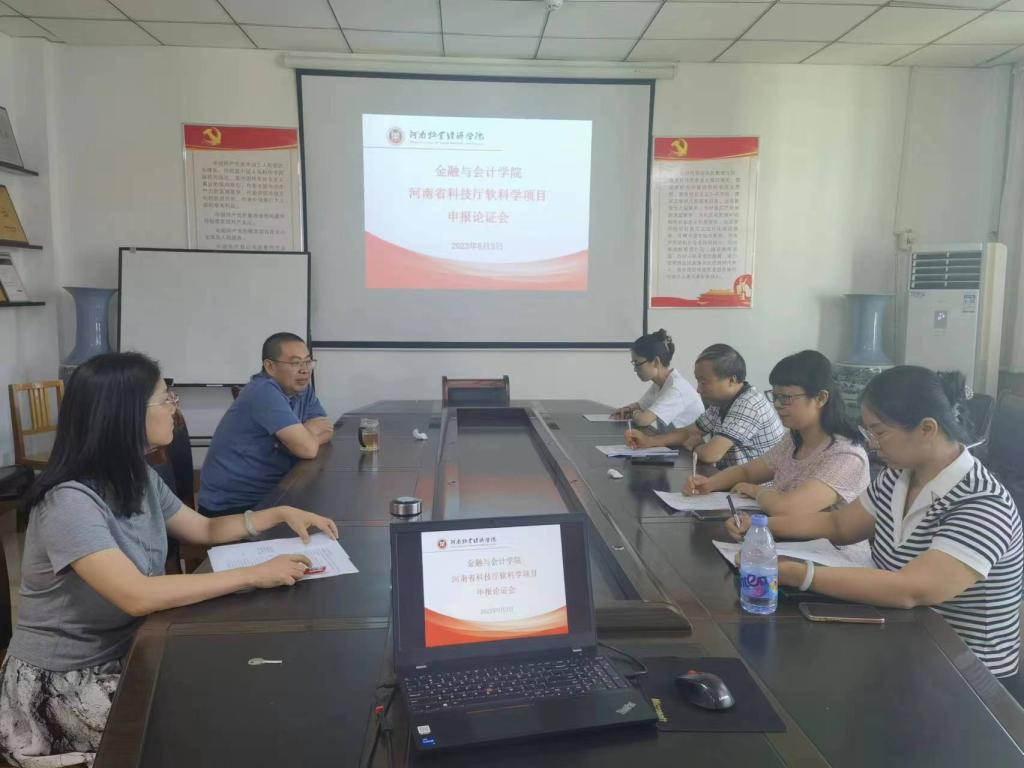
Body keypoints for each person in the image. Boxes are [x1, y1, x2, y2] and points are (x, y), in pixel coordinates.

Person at [0, 352, 338, 767]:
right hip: (62, 686)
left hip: (129, 651)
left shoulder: (136, 475)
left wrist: (277, 514)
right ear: (124, 414)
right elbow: (137, 595)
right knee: (215, 722)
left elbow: (204, 530)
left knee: (246, 685)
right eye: (165, 399)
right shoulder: (69, 502)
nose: (174, 409)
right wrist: (254, 574)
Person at [726, 366, 1022, 680]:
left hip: (967, 675)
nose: (872, 445)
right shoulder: (898, 477)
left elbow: (910, 589)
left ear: (927, 429)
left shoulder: (982, 503)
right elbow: (840, 525)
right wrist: (762, 526)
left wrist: (798, 573)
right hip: (901, 642)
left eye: (879, 433)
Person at [685, 350, 869, 515]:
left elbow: (787, 507)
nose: (778, 405)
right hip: (782, 534)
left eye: (786, 397)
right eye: (775, 396)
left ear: (820, 398)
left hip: (821, 543)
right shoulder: (794, 439)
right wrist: (708, 484)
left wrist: (755, 490)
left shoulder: (846, 455)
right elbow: (747, 471)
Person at [199, 332, 334, 516]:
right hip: (234, 507)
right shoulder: (263, 391)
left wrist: (304, 436)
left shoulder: (303, 389)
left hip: (274, 491)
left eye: (308, 362)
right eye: (295, 363)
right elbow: (308, 449)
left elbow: (327, 427)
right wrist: (306, 439)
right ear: (270, 366)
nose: (305, 370)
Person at [627, 343, 784, 468]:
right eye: (698, 381)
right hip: (732, 480)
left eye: (704, 382)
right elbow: (690, 432)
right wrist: (649, 441)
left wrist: (697, 446)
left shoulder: (748, 404)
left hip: (757, 490)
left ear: (732, 380)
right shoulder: (721, 401)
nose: (698, 389)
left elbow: (711, 454)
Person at [610, 329, 703, 433]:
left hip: (691, 443)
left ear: (655, 362)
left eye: (637, 363)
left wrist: (633, 413)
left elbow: (643, 420)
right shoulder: (660, 383)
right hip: (671, 440)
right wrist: (627, 409)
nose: (635, 369)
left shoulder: (676, 389)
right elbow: (641, 406)